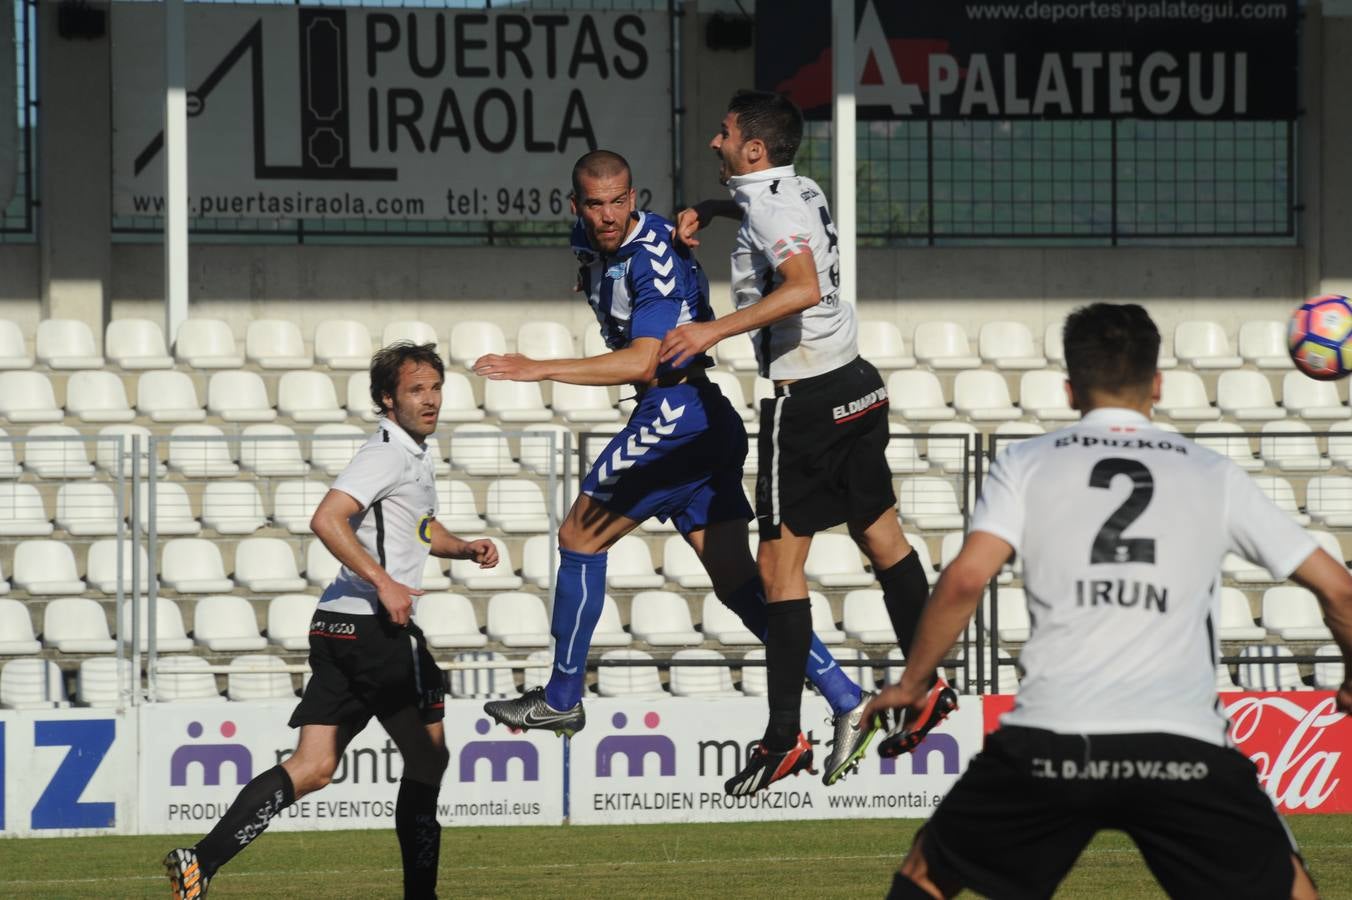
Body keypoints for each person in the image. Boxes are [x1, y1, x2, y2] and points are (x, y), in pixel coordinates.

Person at [864, 303, 1352, 899]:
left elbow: (965, 581)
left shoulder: (1026, 463)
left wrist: (914, 684)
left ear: (1071, 389)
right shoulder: (1211, 472)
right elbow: (1338, 590)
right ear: (1158, 384)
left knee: (926, 875)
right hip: (1181, 746)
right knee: (1292, 889)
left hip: (1052, 740)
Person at [473, 149, 881, 785]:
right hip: (704, 422)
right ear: (575, 205)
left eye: (619, 202)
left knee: (579, 536)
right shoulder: (596, 236)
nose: (607, 217)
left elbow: (643, 361)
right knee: (739, 587)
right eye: (595, 204)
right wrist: (708, 212)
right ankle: (848, 699)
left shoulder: (650, 261)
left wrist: (539, 367)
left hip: (674, 414)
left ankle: (559, 698)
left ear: (634, 197)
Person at [661, 90, 951, 796]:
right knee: (883, 539)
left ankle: (783, 736)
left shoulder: (771, 205)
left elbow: (799, 285)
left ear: (753, 149)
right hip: (856, 383)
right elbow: (770, 216)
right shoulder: (797, 184)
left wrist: (709, 332)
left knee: (777, 573)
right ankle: (928, 687)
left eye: (725, 134)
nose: (715, 141)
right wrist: (713, 205)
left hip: (809, 403)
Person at [164, 342, 499, 900]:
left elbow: (415, 528)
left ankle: (199, 862)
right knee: (428, 756)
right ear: (386, 399)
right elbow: (327, 518)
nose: (431, 399)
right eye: (417, 390)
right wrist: (384, 581)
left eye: (436, 388)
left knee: (314, 766)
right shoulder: (388, 453)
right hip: (376, 629)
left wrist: (460, 547)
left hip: (335, 626)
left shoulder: (411, 453)